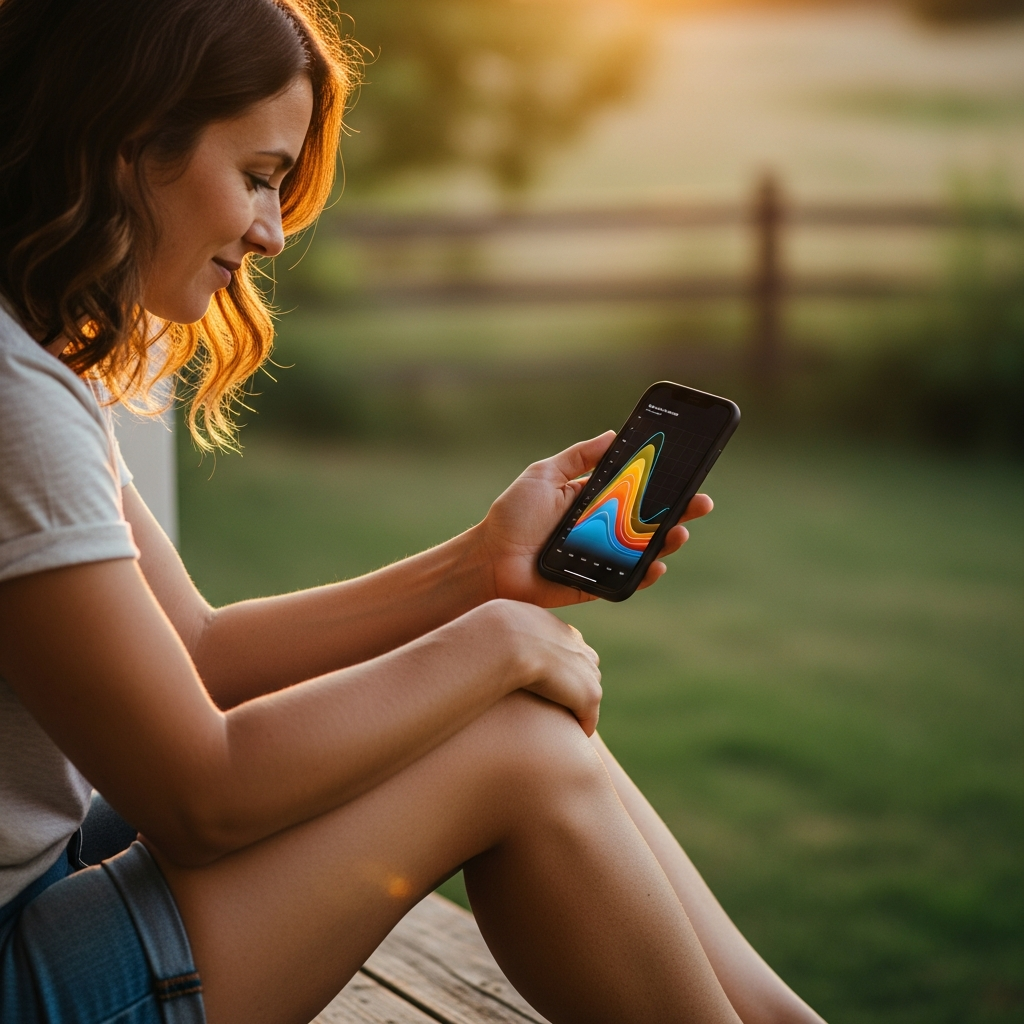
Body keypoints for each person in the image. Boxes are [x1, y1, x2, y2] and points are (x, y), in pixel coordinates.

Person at [0, 2, 827, 1022]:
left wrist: (480, 568)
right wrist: (499, 642)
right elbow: (199, 798)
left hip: (46, 878)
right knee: (514, 746)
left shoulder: (31, 365)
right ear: (129, 142)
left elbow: (198, 653)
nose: (269, 231)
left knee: (505, 716)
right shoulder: (12, 398)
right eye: (257, 175)